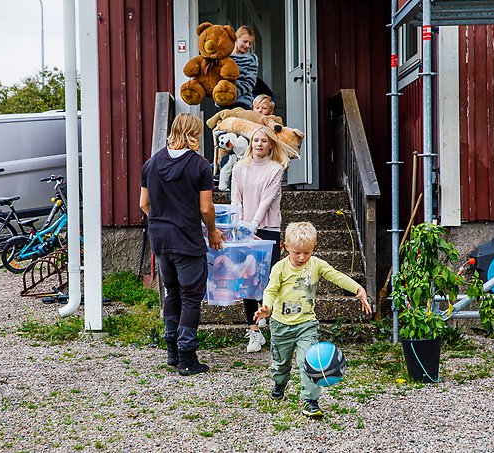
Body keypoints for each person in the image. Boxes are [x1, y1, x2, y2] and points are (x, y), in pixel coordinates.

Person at [254, 222, 371, 418]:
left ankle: (311, 401)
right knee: (280, 364)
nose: (302, 257)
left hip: (306, 324)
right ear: (285, 247)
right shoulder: (279, 268)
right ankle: (279, 384)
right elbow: (271, 290)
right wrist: (267, 307)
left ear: (314, 248)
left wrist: (357, 289)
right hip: (280, 324)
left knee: (308, 361)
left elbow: (336, 276)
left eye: (307, 253)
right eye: (297, 253)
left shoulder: (317, 264)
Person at [140, 113, 225, 376]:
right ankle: (188, 358)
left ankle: (172, 353)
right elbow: (206, 208)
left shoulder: (151, 164)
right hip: (187, 239)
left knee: (172, 293)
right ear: (194, 134)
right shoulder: (200, 166)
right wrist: (212, 231)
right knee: (191, 297)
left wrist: (162, 222)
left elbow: (144, 204)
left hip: (161, 240)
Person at [231, 126, 290, 353]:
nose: (259, 144)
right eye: (255, 140)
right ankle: (254, 331)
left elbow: (267, 200)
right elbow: (236, 199)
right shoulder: (239, 168)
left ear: (270, 145)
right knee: (247, 281)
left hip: (268, 228)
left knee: (268, 280)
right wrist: (243, 227)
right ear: (250, 143)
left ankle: (273, 324)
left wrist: (253, 225)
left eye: (264, 141)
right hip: (245, 229)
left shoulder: (275, 169)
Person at [228, 25, 258, 109]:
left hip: (243, 103)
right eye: (245, 41)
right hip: (224, 102)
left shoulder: (251, 59)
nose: (247, 45)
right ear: (236, 38)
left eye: (250, 43)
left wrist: (233, 93)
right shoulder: (225, 57)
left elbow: (250, 82)